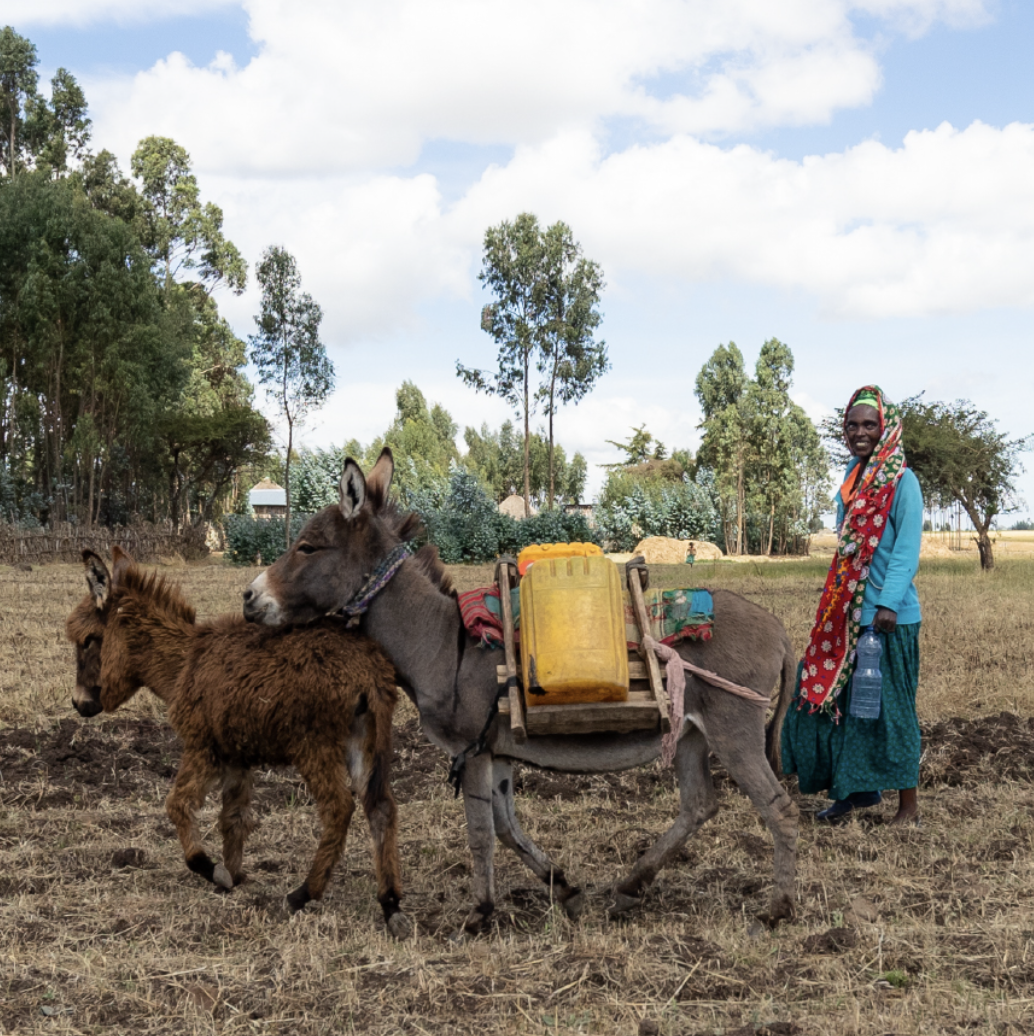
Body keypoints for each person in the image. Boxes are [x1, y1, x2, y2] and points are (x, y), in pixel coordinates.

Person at [782, 386, 922, 825]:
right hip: (845, 616)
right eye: (852, 425)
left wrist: (886, 603)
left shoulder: (903, 481)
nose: (859, 432)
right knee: (834, 705)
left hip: (888, 619)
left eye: (869, 424)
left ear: (886, 428)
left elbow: (905, 550)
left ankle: (909, 808)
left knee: (890, 712)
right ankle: (851, 795)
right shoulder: (852, 475)